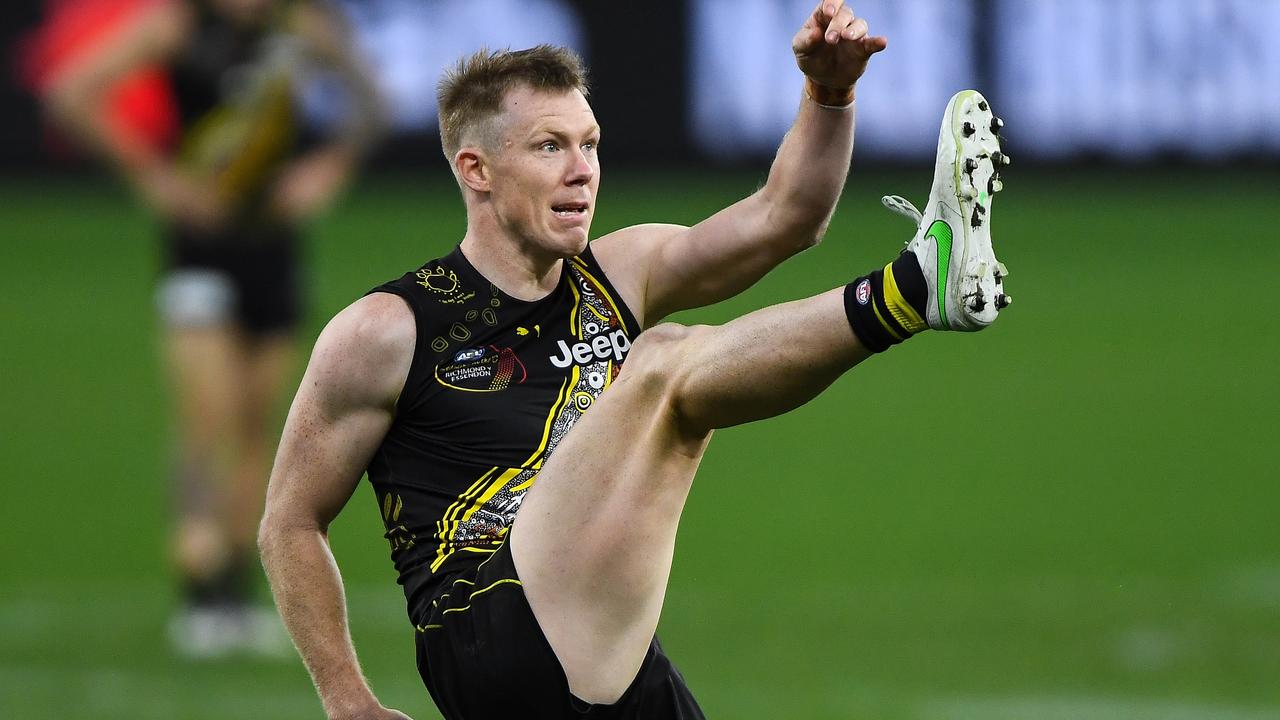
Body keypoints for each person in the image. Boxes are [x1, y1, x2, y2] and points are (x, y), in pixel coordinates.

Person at [259, 1, 1010, 716]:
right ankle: (913, 287)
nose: (581, 169)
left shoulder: (621, 272)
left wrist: (830, 91)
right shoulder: (389, 328)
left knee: (667, 386)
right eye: (549, 146)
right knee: (661, 364)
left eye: (589, 144)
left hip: (605, 645)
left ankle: (914, 290)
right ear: (476, 169)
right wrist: (347, 699)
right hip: (485, 632)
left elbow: (789, 217)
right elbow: (291, 521)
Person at [40, 0, 382, 656]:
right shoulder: (177, 25)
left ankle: (236, 595)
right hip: (199, 245)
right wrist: (153, 177)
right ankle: (199, 590)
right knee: (206, 418)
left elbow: (369, 99)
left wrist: (326, 170)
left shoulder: (298, 28)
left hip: (273, 245)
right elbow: (71, 92)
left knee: (258, 424)